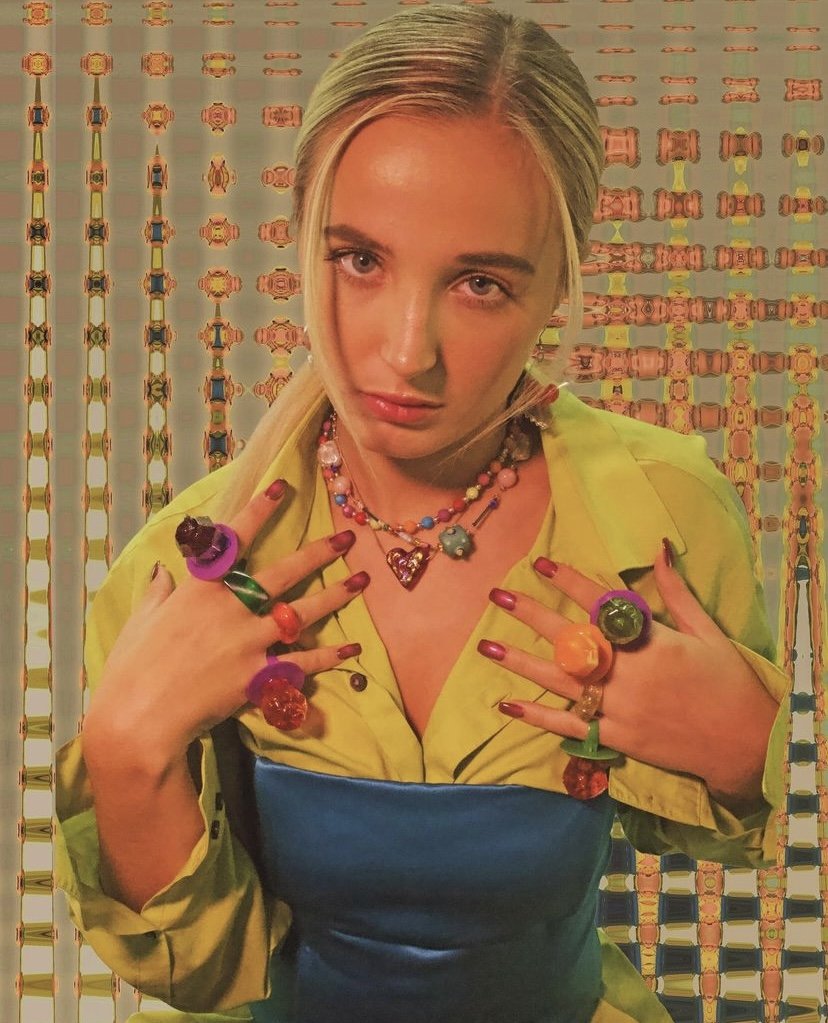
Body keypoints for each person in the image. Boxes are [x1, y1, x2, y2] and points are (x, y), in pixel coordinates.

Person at [56, 6, 790, 1022]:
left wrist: (763, 754)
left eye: (481, 283)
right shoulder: (180, 570)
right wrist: (128, 756)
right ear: (300, 236)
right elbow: (197, 976)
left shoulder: (664, 518)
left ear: (562, 288)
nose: (408, 352)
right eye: (360, 259)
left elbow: (745, 850)